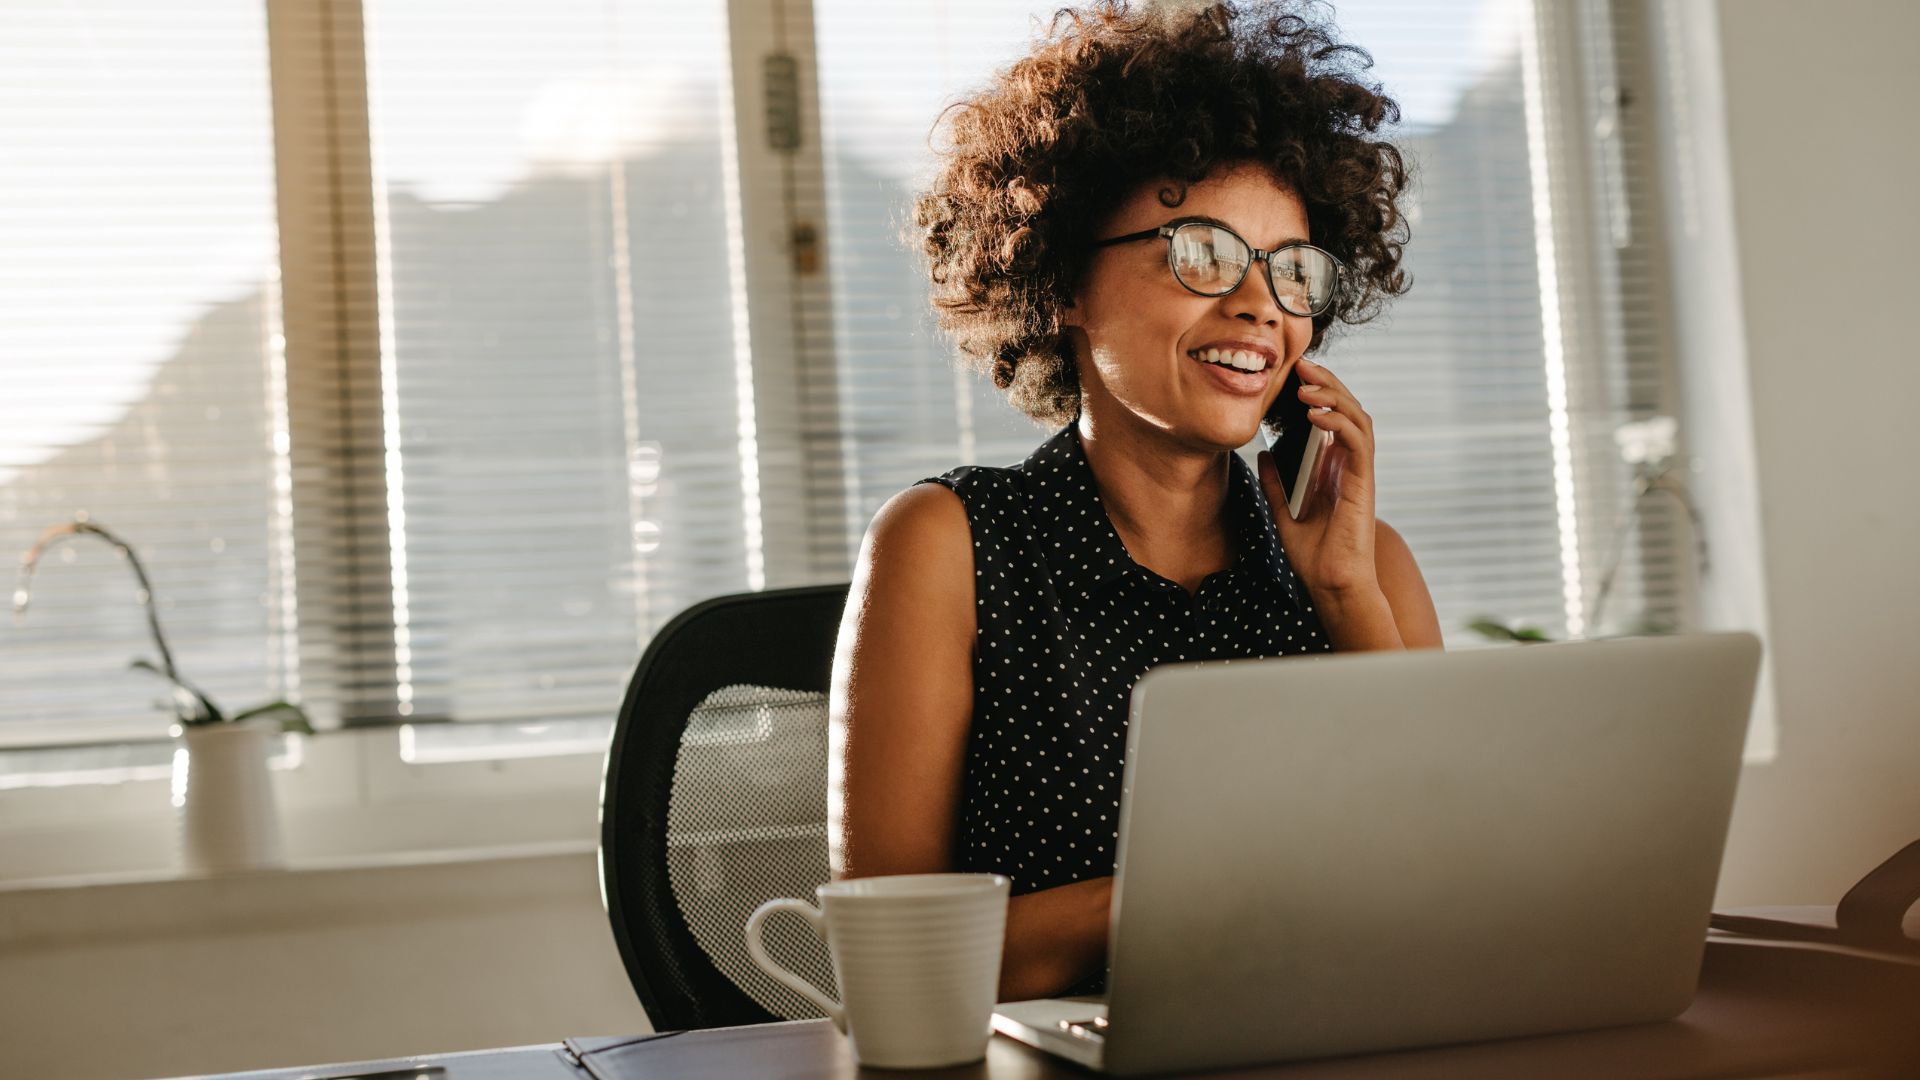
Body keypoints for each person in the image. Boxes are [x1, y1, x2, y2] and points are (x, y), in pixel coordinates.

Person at [827, 0, 1444, 1002]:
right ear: (1065, 278)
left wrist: (1346, 599)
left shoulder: (1366, 566)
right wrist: (1207, 890)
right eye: (1199, 251)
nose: (1257, 305)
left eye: (1291, 272)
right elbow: (892, 963)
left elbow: (1450, 898)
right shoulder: (949, 546)